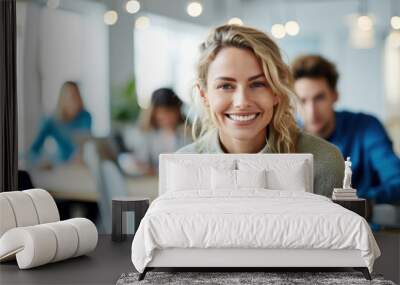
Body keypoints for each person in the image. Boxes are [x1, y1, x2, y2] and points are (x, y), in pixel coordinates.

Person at [177, 24, 344, 198]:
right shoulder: (182, 167)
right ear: (204, 94)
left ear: (277, 91)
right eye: (226, 86)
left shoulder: (322, 162)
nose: (242, 102)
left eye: (258, 84)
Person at [291, 54, 400, 203]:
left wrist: (352, 202)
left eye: (319, 98)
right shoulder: (287, 137)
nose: (312, 111)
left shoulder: (366, 127)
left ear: (335, 95)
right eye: (302, 101)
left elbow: (397, 182)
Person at [121, 88, 190, 175]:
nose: (167, 118)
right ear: (153, 113)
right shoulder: (145, 134)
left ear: (178, 111)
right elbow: (136, 160)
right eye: (162, 113)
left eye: (170, 112)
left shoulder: (188, 133)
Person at [29, 81, 92, 166]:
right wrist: (40, 162)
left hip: (79, 166)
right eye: (70, 97)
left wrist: (78, 157)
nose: (74, 100)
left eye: (77, 95)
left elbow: (84, 143)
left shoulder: (86, 116)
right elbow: (33, 151)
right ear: (62, 99)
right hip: (59, 166)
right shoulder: (51, 121)